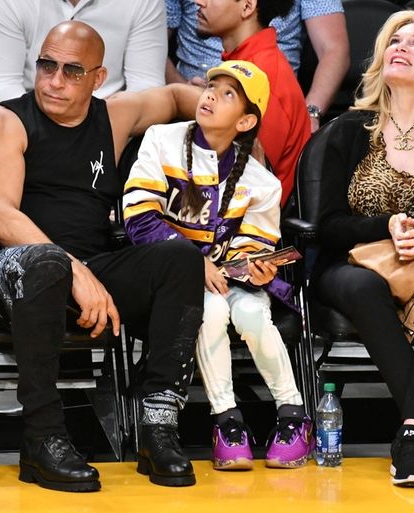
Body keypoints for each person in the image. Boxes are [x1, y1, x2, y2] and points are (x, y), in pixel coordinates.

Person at [0, 20, 205, 492]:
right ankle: (43, 438)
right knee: (46, 264)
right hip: (0, 274)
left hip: (86, 269)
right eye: (47, 65)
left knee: (180, 260)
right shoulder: (2, 122)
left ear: (97, 78)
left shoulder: (112, 117)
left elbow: (175, 98)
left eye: (72, 71)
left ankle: (157, 427)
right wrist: (72, 268)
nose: (54, 80)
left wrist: (237, 115)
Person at [123, 60, 311, 471]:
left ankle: (293, 414)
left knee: (249, 313)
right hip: (171, 277)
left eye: (228, 94)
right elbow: (138, 218)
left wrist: (255, 267)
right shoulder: (160, 139)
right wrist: (193, 262)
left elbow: (251, 246)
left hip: (229, 281)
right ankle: (227, 422)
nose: (210, 95)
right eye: (212, 86)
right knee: (207, 311)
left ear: (245, 121)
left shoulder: (262, 183)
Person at [316, 11, 414, 487]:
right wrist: (385, 225)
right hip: (355, 264)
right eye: (394, 40)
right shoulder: (349, 130)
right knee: (362, 285)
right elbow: (327, 226)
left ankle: (413, 433)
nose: (399, 46)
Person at [191, 0, 310, 207]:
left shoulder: (263, 77)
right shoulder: (245, 64)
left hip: (247, 227)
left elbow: (249, 183)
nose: (198, 2)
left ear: (247, 7)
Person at [166, 0, 349, 131]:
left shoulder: (270, 80)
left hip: (266, 104)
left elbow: (334, 49)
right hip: (191, 95)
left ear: (247, 6)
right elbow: (148, 45)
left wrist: (308, 115)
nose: (197, 2)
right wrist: (185, 91)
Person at [0, 0, 167, 107]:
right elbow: (2, 84)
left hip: (112, 121)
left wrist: (104, 126)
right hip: (30, 118)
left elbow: (146, 87)